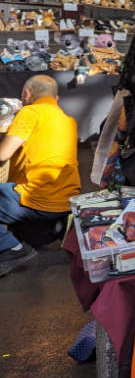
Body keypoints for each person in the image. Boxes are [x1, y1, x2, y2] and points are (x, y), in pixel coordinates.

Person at [0, 75, 80, 277]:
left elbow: (3, 154)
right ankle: (57, 228)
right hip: (66, 200)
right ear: (57, 98)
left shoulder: (30, 111)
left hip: (37, 199)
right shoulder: (68, 120)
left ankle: (11, 249)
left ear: (27, 93)